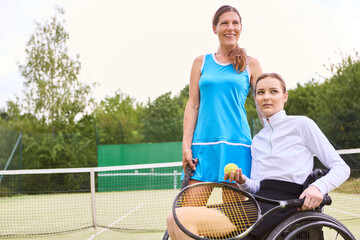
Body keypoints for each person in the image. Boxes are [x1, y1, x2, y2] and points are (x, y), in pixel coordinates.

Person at [166, 5, 262, 239]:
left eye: (235, 23)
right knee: (184, 218)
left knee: (232, 222)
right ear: (214, 28)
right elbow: (193, 105)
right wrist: (186, 146)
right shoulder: (201, 62)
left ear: (241, 27)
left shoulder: (252, 64)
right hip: (202, 150)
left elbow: (263, 104)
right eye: (225, 23)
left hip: (237, 149)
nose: (231, 27)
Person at [225, 72, 351, 239]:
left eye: (273, 91)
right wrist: (243, 182)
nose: (266, 97)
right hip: (259, 203)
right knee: (198, 221)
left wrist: (318, 187)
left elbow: (342, 168)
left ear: (285, 97)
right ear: (255, 98)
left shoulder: (302, 124)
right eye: (260, 92)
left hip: (287, 206)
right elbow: (257, 187)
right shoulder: (257, 140)